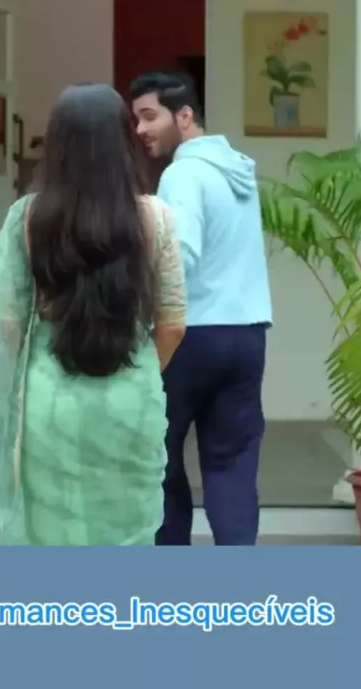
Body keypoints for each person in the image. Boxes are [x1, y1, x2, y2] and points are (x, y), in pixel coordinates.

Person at [0, 83, 186, 546]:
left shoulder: (28, 217)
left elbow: (7, 323)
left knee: (50, 539)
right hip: (129, 393)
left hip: (48, 394)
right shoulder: (157, 217)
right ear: (123, 142)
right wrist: (138, 370)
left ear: (57, 147)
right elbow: (173, 324)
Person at [130, 71, 272, 546]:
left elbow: (180, 255)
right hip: (248, 334)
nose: (141, 129)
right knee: (233, 465)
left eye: (149, 116)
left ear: (185, 116)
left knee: (161, 461)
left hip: (190, 337)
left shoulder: (183, 173)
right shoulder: (238, 171)